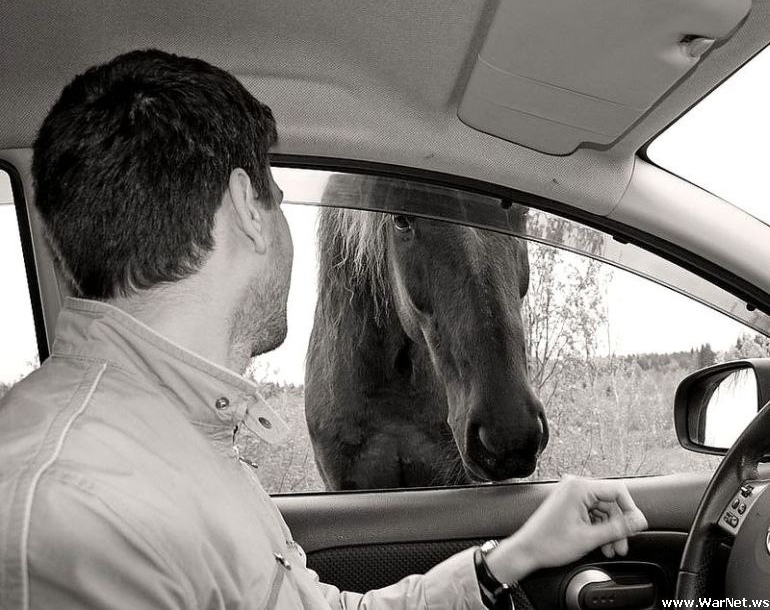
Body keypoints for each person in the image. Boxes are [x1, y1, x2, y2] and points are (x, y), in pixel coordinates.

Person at [0, 49, 648, 609]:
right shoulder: (66, 510)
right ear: (244, 212)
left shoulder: (176, 440)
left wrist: (508, 559)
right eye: (275, 197)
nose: (285, 225)